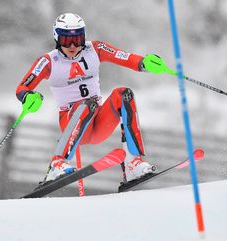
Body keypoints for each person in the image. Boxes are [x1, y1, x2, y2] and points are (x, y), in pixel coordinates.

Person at [16, 13, 164, 186]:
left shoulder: (95, 49)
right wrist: (28, 97)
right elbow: (22, 88)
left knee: (124, 94)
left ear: (83, 37)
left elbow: (122, 56)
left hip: (97, 123)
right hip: (71, 122)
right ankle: (57, 163)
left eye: (77, 39)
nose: (72, 45)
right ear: (57, 38)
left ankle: (132, 164)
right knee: (88, 104)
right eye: (66, 40)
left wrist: (143, 63)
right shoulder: (48, 61)